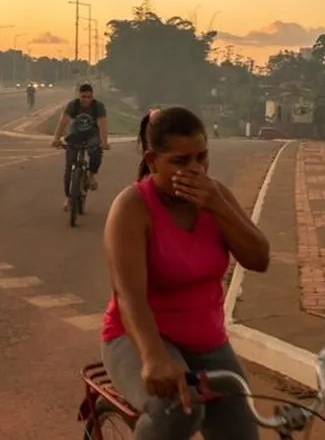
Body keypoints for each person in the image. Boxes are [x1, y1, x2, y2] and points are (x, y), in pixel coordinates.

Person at [100, 106, 270, 440]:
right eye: (181, 161)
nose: (195, 169)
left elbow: (259, 259)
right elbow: (128, 296)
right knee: (178, 408)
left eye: (202, 158)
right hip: (137, 336)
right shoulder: (132, 208)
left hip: (205, 339)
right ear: (152, 161)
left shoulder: (216, 195)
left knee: (240, 429)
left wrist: (218, 208)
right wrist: (152, 357)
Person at [51, 83, 109, 210]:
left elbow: (102, 124)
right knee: (69, 167)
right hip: (76, 135)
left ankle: (91, 175)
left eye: (89, 97)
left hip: (92, 135)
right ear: (79, 96)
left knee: (96, 151)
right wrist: (56, 139)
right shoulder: (73, 105)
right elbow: (63, 122)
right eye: (84, 97)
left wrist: (104, 142)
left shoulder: (98, 106)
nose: (86, 100)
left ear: (92, 96)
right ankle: (68, 197)